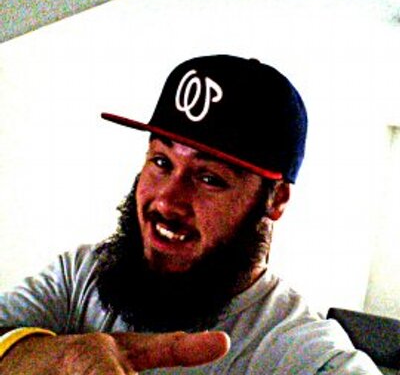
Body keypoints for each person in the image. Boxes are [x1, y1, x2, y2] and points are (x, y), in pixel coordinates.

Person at [0, 55, 382, 374]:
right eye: (161, 161)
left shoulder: (304, 353)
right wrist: (45, 356)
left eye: (209, 178)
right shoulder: (81, 274)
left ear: (276, 199)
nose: (167, 202)